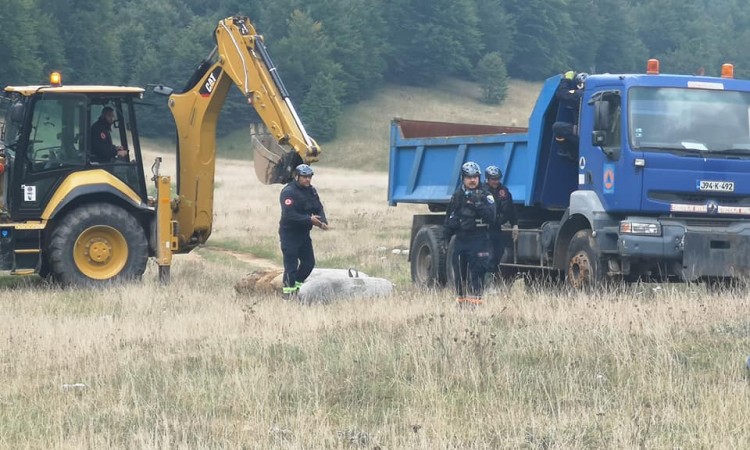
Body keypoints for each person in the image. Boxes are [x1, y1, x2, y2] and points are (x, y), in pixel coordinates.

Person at [444, 161, 496, 306]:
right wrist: (445, 236)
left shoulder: (486, 195)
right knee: (460, 273)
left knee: (477, 272)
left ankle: (476, 305)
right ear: (463, 178)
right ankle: (461, 303)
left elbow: (492, 217)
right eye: (469, 177)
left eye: (475, 177)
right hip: (461, 240)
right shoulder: (457, 196)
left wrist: (478, 205)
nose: (472, 180)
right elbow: (449, 217)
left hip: (479, 240)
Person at [279, 163, 328, 297]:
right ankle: (288, 294)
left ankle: (297, 287)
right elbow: (289, 214)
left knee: (309, 263)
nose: (308, 180)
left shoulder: (311, 190)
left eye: (309, 177)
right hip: (289, 234)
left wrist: (323, 221)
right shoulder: (288, 192)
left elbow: (318, 207)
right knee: (291, 266)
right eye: (305, 177)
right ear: (297, 177)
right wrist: (309, 220)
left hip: (304, 233)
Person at [484, 166, 518, 276]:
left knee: (499, 253)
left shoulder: (504, 191)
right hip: (485, 229)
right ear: (488, 179)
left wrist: (515, 224)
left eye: (498, 179)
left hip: (497, 228)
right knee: (488, 255)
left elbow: (511, 209)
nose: (496, 181)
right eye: (493, 179)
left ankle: (492, 277)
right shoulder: (482, 192)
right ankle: (485, 283)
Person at [552, 71, 587, 158]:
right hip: (596, 135)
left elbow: (561, 94)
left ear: (580, 85)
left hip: (582, 134)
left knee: (557, 127)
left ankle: (565, 151)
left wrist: (566, 79)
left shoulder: (580, 95)